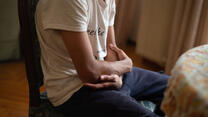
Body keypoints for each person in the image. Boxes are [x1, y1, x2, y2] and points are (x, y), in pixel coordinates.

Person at [35, 0, 169, 116]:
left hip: (106, 75)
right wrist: (126, 65)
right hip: (73, 91)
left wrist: (118, 77)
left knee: (176, 88)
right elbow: (89, 72)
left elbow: (111, 50)